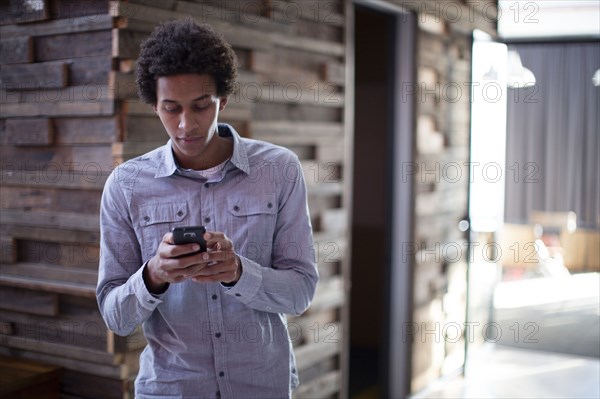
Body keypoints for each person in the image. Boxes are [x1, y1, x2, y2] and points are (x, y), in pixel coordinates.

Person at [96, 18, 318, 399]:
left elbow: (299, 293)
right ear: (154, 106)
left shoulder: (279, 169)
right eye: (171, 108)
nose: (186, 125)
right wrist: (154, 274)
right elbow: (116, 317)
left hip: (262, 386)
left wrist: (238, 272)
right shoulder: (126, 185)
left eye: (201, 106)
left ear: (223, 100)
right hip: (172, 388)